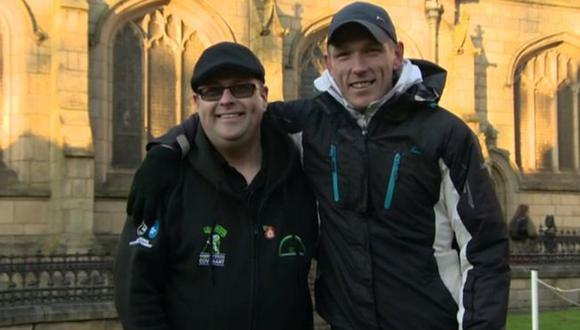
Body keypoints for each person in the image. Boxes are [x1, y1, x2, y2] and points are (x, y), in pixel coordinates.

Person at [127, 2, 511, 329]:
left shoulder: (445, 134)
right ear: (328, 63)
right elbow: (230, 113)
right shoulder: (309, 122)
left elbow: (485, 248)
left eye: (371, 51)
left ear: (396, 54)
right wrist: (167, 148)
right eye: (344, 55)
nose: (357, 67)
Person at [114, 42, 318, 330]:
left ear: (263, 97)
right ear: (197, 104)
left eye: (241, 88)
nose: (226, 100)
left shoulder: (302, 171)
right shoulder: (164, 179)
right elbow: (135, 293)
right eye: (212, 91)